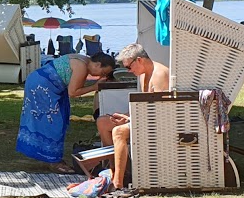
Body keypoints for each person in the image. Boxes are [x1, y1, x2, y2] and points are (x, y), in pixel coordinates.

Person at [16, 49, 115, 166]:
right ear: (98, 64)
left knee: (57, 120)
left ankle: (52, 157)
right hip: (42, 87)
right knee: (53, 122)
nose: (101, 76)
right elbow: (73, 92)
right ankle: (52, 160)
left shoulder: (83, 59)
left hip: (39, 80)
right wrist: (94, 87)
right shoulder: (82, 67)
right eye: (103, 72)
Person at [98, 42, 171, 190]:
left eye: (128, 67)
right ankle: (114, 169)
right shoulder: (144, 74)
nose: (129, 71)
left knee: (118, 132)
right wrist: (127, 116)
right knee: (103, 122)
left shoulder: (160, 74)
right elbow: (144, 106)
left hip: (158, 124)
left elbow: (158, 112)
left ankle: (117, 183)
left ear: (139, 60)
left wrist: (131, 119)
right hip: (144, 119)